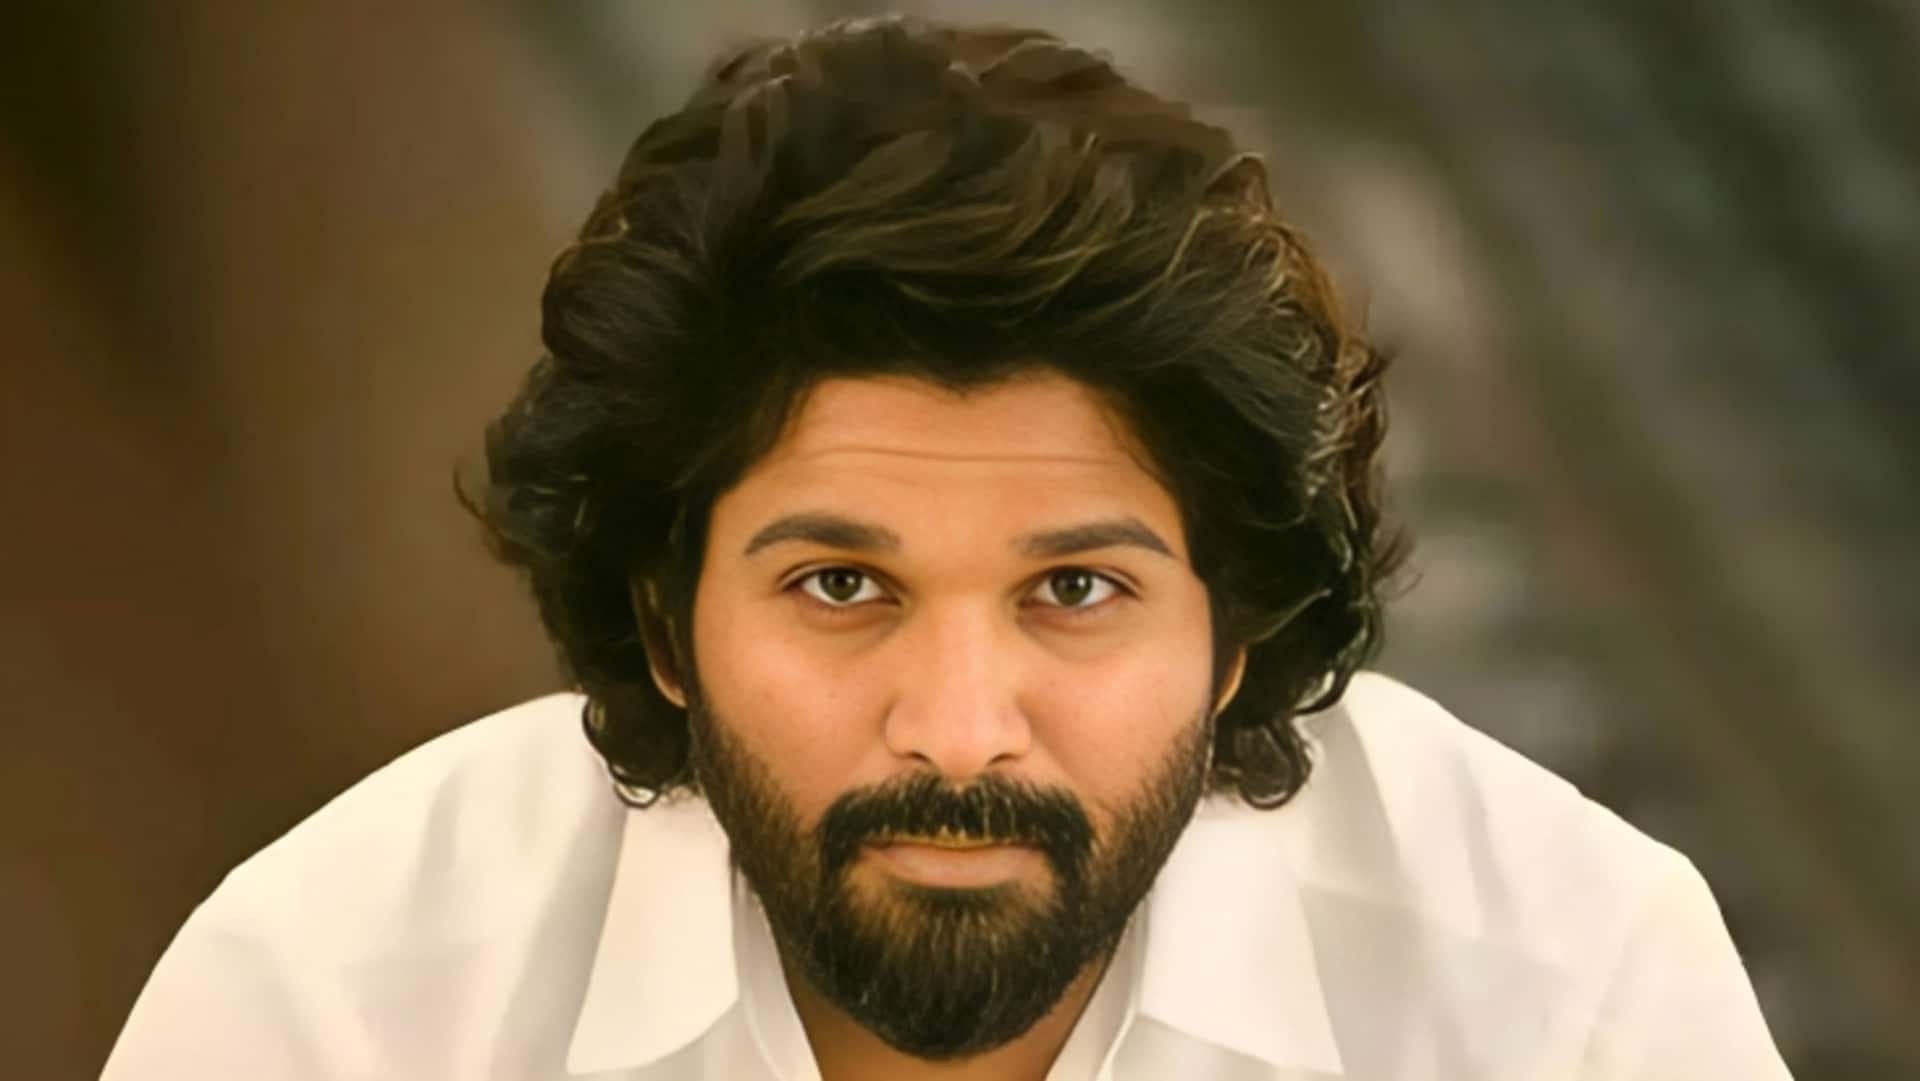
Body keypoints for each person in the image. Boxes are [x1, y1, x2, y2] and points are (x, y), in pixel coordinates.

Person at [102, 16, 1792, 1081]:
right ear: (664, 621)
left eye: (1076, 590)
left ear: (1233, 635)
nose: (961, 728)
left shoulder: (1565, 994)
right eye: (841, 585)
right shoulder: (339, 1005)